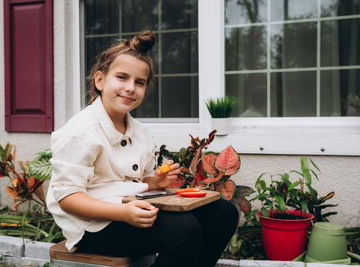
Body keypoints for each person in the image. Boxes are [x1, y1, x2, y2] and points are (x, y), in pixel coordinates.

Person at [46, 30, 239, 267]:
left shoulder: (140, 133)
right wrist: (123, 214)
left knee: (222, 213)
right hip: (92, 226)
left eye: (139, 82)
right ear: (100, 80)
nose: (130, 87)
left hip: (131, 210)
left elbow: (132, 182)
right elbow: (68, 198)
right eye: (121, 77)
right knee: (183, 229)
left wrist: (156, 182)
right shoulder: (80, 132)